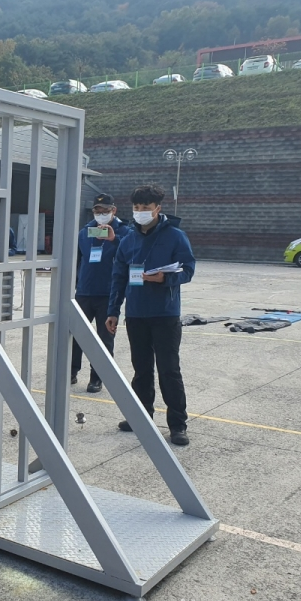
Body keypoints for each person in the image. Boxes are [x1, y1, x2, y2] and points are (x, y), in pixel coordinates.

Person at [106, 184, 195, 446]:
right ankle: (141, 417)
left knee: (169, 370)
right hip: (136, 314)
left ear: (158, 208)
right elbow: (118, 277)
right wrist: (113, 311)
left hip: (165, 314)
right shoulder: (128, 240)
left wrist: (164, 278)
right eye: (136, 208)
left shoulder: (176, 236)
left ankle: (178, 424)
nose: (140, 212)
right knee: (141, 369)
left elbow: (188, 270)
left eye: (146, 207)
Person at [71, 194, 130, 393]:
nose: (101, 214)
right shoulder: (85, 231)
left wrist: (114, 239)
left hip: (108, 293)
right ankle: (71, 371)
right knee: (76, 334)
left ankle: (97, 377)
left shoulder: (125, 231)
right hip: (85, 291)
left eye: (105, 211)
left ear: (114, 210)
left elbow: (132, 251)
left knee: (104, 338)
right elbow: (76, 259)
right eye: (97, 211)